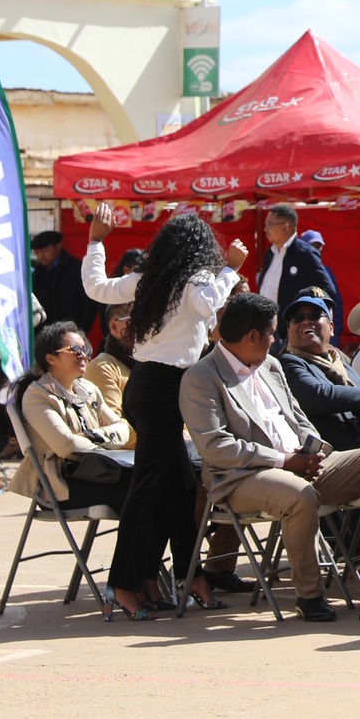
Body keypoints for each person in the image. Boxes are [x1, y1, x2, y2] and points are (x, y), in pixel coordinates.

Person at [178, 293, 360, 623]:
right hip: (241, 476)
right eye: (272, 333)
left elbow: (298, 419)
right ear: (253, 336)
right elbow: (215, 447)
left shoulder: (272, 365)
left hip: (299, 463)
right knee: (299, 495)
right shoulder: (201, 377)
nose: (276, 341)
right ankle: (309, 596)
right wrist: (282, 460)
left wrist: (315, 451)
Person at [81, 204, 245, 620]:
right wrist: (230, 269)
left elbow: (97, 286)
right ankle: (124, 582)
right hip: (162, 390)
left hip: (151, 387)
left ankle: (186, 577)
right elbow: (210, 305)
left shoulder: (148, 281)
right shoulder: (197, 280)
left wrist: (97, 241)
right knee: (149, 489)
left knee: (179, 488)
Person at [9, 321, 133, 516]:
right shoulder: (37, 396)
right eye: (74, 349)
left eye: (85, 349)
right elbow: (67, 446)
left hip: (99, 472)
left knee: (154, 485)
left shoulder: (88, 389)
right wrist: (105, 440)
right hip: (61, 485)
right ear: (51, 358)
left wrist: (91, 435)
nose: (83, 355)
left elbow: (123, 428)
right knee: (142, 495)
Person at [276, 290, 360, 451]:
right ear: (288, 332)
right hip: (331, 459)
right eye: (297, 318)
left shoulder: (343, 365)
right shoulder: (288, 363)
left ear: (331, 327)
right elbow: (318, 396)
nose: (306, 321)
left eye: (315, 315)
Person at [254, 204, 341, 327]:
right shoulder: (270, 253)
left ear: (285, 227)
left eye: (269, 224)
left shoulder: (305, 253)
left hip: (292, 329)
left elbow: (327, 291)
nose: (265, 229)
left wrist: (304, 316)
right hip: (266, 327)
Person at [29, 231, 94, 342]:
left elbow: (89, 304)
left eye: (44, 251)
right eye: (36, 252)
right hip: (43, 334)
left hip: (69, 333)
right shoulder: (37, 271)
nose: (40, 256)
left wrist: (81, 331)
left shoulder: (76, 268)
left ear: (57, 247)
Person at [85, 301, 134, 421]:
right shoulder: (102, 367)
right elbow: (112, 427)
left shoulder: (156, 362)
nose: (148, 327)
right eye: (138, 319)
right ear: (114, 326)